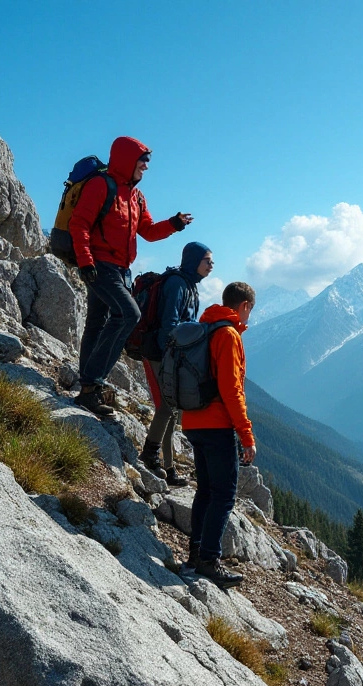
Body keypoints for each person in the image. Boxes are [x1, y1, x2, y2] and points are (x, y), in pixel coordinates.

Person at [70, 136, 193, 417]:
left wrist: (173, 224)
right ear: (128, 160)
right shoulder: (100, 185)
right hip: (100, 266)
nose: (146, 168)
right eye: (143, 161)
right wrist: (86, 261)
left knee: (97, 322)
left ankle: (88, 389)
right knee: (129, 314)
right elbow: (79, 223)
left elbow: (147, 231)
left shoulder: (136, 196)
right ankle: (93, 382)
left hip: (122, 270)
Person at [179, 282, 257, 588]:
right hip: (216, 425)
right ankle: (209, 561)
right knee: (223, 495)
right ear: (245, 306)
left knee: (206, 492)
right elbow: (231, 389)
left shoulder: (206, 327)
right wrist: (246, 434)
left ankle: (196, 555)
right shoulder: (228, 335)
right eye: (250, 310)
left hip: (193, 421)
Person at [139, 241, 213, 485]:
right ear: (194, 261)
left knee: (173, 411)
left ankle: (168, 468)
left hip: (171, 355)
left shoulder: (189, 285)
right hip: (160, 354)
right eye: (207, 260)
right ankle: (150, 454)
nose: (211, 265)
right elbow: (169, 325)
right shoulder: (178, 284)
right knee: (168, 407)